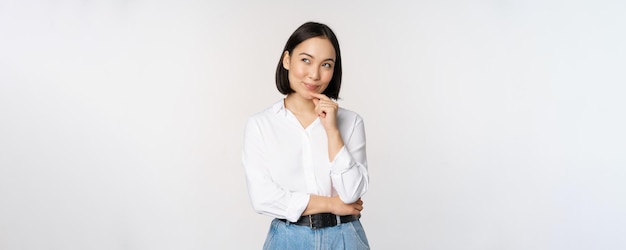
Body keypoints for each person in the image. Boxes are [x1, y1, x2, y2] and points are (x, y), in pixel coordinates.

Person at [242, 21, 370, 249]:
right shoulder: (261, 125)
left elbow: (351, 193)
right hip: (288, 239)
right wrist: (332, 204)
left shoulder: (350, 122)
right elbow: (263, 198)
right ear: (287, 60)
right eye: (306, 60)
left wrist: (332, 131)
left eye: (326, 65)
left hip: (345, 238)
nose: (315, 74)